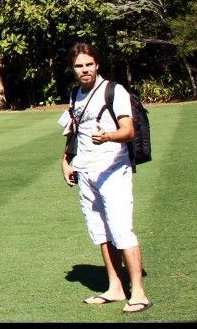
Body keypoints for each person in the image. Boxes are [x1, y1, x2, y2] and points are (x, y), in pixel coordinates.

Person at [61, 42, 152, 314]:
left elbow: (129, 130)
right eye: (79, 65)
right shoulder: (74, 94)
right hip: (86, 170)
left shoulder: (114, 91)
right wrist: (66, 160)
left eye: (89, 64)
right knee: (100, 231)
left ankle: (138, 292)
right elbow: (73, 131)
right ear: (73, 68)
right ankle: (115, 287)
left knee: (121, 229)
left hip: (113, 169)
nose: (84, 69)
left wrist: (108, 136)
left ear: (97, 64)